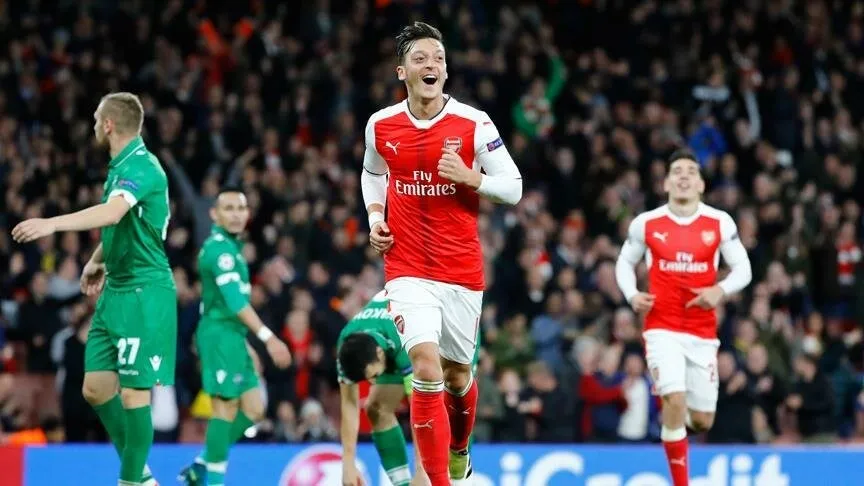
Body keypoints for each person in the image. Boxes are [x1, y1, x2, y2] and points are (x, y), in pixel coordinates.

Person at [360, 21, 522, 486]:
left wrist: (474, 179)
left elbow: (513, 187)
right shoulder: (381, 124)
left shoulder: (474, 123)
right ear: (402, 72)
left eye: (438, 58)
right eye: (420, 58)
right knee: (426, 369)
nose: (431, 64)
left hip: (461, 270)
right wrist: (375, 217)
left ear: (446, 71)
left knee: (456, 376)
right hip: (406, 267)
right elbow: (373, 173)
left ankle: (459, 447)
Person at [12, 92, 175, 486]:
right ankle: (140, 476)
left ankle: (132, 480)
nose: (93, 126)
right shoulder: (120, 167)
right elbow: (126, 224)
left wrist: (51, 224)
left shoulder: (142, 166)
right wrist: (97, 259)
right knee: (96, 389)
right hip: (116, 289)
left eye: (95, 119)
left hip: (144, 293)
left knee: (135, 395)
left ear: (108, 124)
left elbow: (113, 213)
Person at [614, 148, 753, 486]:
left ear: (701, 184)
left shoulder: (719, 222)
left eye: (691, 171)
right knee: (674, 398)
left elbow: (744, 269)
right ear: (666, 183)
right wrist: (632, 295)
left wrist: (719, 290)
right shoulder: (647, 223)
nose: (684, 177)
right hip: (661, 328)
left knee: (702, 420)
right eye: (677, 171)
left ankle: (671, 427)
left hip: (702, 332)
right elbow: (624, 262)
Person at [178, 187, 292, 486]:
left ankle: (202, 465)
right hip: (218, 336)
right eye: (228, 208)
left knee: (254, 409)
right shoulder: (219, 251)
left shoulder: (232, 248)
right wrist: (268, 338)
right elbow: (235, 302)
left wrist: (244, 343)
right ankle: (213, 481)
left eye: (241, 208)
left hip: (233, 336)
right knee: (225, 408)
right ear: (214, 214)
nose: (236, 214)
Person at [337, 291, 483, 486]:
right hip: (404, 336)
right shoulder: (347, 343)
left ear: (379, 353)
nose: (373, 382)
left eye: (374, 376)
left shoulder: (401, 335)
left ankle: (460, 479)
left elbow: (422, 407)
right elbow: (349, 404)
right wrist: (348, 464)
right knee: (376, 408)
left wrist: (422, 470)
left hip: (449, 329)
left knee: (451, 405)